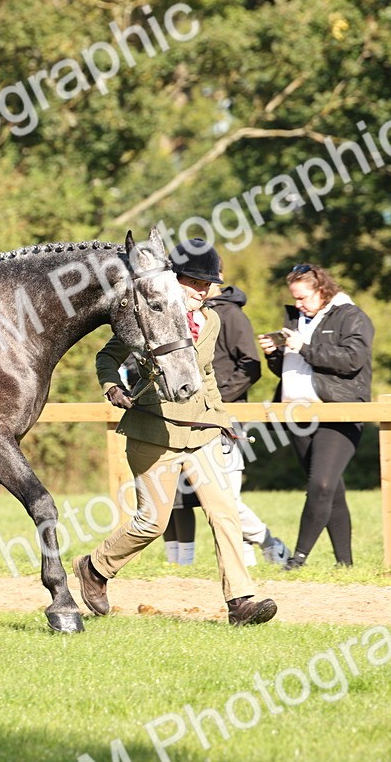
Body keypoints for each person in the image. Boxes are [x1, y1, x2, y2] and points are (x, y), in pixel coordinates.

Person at [71, 237, 278, 626]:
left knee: (225, 512)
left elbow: (207, 376)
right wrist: (112, 385)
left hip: (201, 431)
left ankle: (240, 602)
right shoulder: (151, 314)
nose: (203, 291)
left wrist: (222, 420)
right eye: (194, 283)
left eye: (207, 284)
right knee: (153, 522)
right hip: (154, 432)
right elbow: (107, 356)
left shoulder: (213, 320)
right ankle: (95, 569)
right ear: (174, 279)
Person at [162, 262, 291, 568]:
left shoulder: (230, 315)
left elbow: (251, 366)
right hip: (186, 415)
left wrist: (214, 399)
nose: (199, 286)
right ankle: (197, 561)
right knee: (186, 495)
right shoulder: (183, 311)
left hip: (222, 415)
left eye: (204, 280)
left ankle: (268, 543)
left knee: (226, 498)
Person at [258, 263, 374, 570]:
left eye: (302, 297)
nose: (297, 304)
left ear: (322, 290)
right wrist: (275, 355)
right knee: (330, 488)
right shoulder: (300, 320)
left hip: (338, 411)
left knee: (321, 485)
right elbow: (294, 371)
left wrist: (305, 347)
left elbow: (352, 360)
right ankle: (345, 564)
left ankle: (298, 559)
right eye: (294, 298)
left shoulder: (352, 316)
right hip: (297, 413)